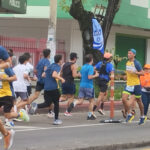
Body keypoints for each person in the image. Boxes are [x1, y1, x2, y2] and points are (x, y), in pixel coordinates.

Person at [30, 55, 65, 125]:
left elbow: (43, 74)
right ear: (60, 60)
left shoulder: (51, 65)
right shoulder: (57, 66)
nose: (62, 61)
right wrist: (61, 79)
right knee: (56, 103)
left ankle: (36, 105)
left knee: (47, 103)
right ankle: (56, 119)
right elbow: (54, 75)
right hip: (53, 88)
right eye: (62, 60)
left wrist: (48, 79)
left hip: (46, 88)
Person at [67, 54, 99, 120]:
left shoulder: (83, 67)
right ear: (91, 60)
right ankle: (90, 115)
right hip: (89, 86)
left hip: (82, 85)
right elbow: (89, 77)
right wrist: (96, 75)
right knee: (91, 101)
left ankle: (74, 103)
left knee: (80, 100)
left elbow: (80, 75)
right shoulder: (90, 67)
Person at [122, 49, 145, 125]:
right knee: (124, 99)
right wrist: (126, 76)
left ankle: (142, 116)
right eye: (128, 53)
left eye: (130, 53)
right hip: (129, 84)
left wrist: (135, 72)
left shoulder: (136, 63)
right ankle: (129, 113)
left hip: (136, 85)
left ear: (134, 54)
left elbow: (142, 73)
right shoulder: (127, 62)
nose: (128, 54)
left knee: (139, 101)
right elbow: (128, 73)